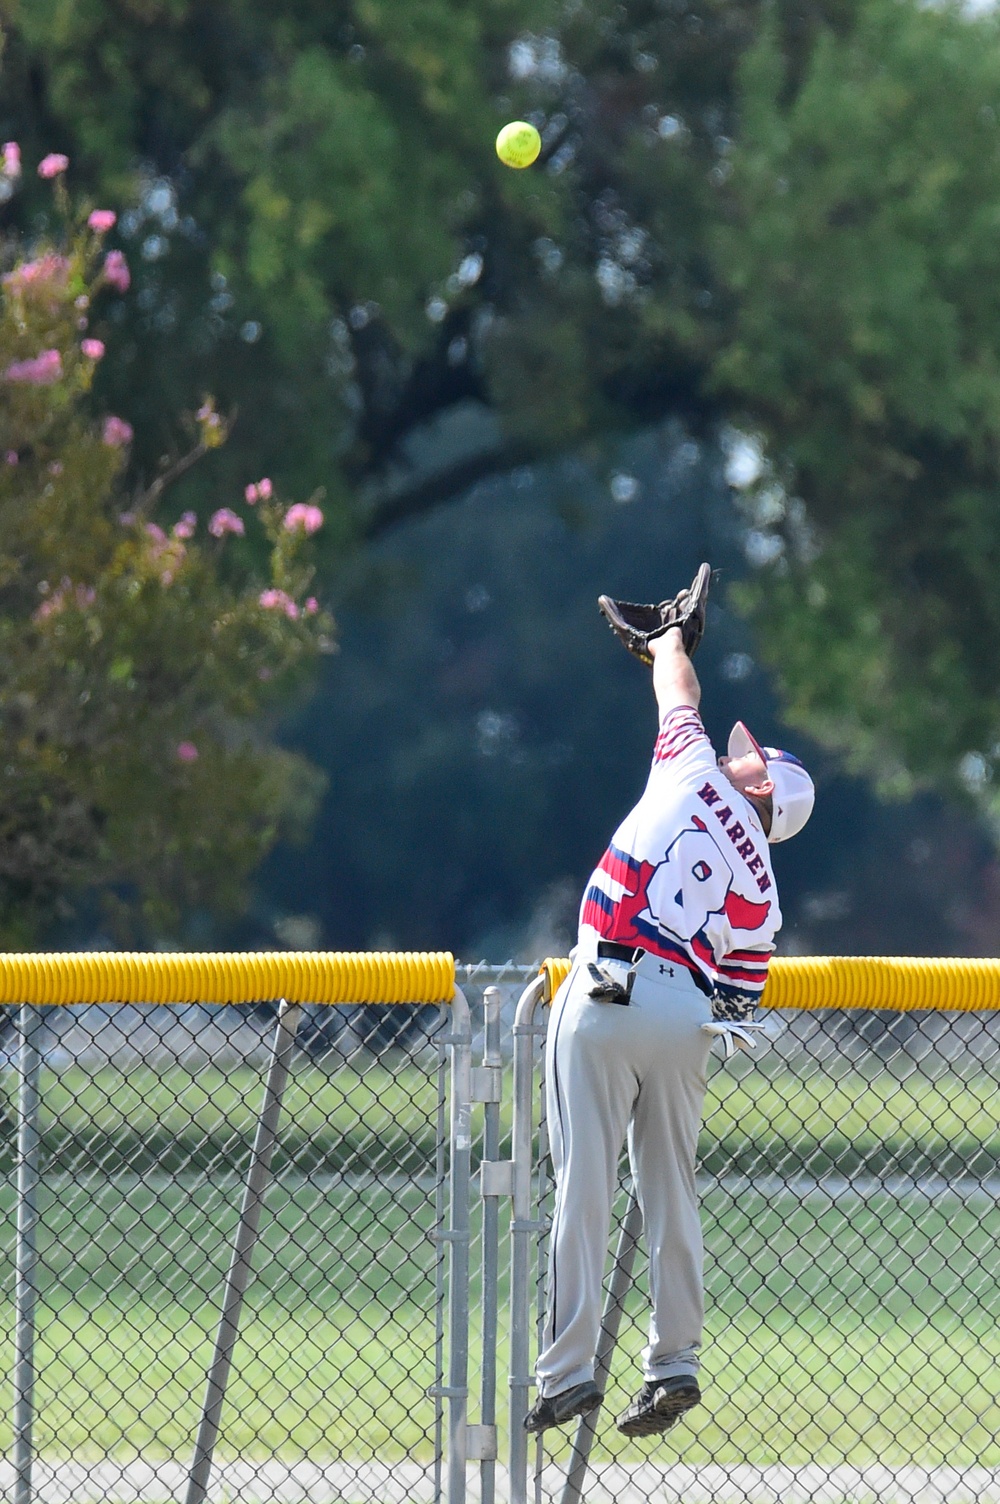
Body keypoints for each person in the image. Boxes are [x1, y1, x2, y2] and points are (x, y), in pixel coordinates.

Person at [524, 599, 815, 1440]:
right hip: (686, 1014)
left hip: (607, 981)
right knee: (670, 1188)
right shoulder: (765, 892)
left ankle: (567, 1373)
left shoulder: (690, 770)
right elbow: (735, 999)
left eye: (752, 765)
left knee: (585, 1181)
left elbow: (678, 696)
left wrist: (669, 641)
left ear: (762, 789)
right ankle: (674, 1362)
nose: (739, 762)